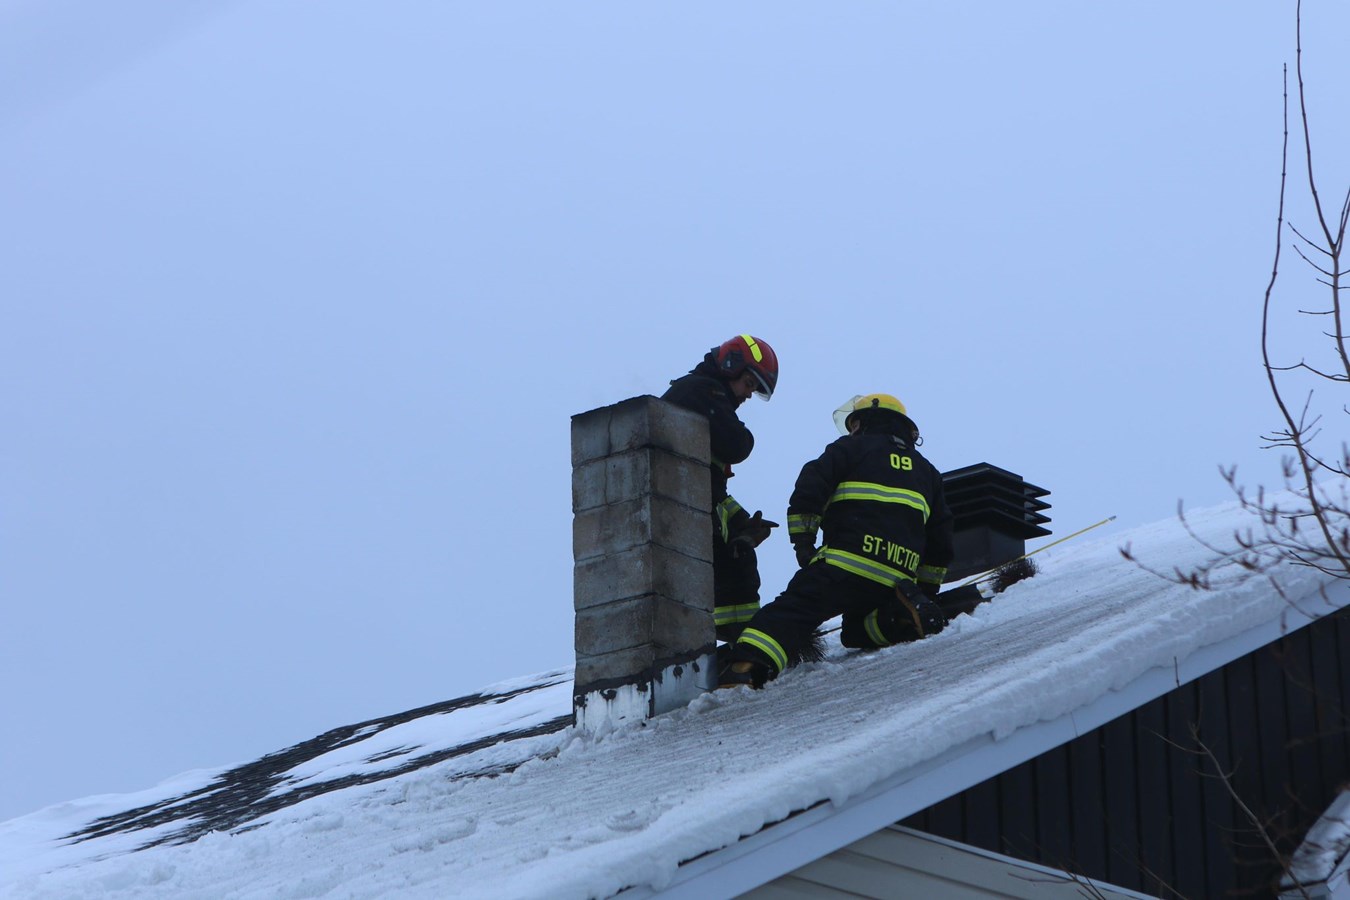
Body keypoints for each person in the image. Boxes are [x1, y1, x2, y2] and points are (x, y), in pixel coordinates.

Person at [720, 393, 954, 688]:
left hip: (846, 566)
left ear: (863, 421)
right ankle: (901, 616)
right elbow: (941, 538)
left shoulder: (850, 448)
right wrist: (924, 591)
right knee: (855, 632)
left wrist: (803, 544)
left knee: (793, 611)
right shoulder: (928, 473)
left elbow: (809, 489)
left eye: (854, 422)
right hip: (897, 580)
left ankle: (746, 667)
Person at [661, 335, 780, 643]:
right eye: (749, 385)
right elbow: (737, 445)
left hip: (690, 508)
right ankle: (741, 646)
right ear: (731, 366)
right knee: (734, 567)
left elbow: (713, 492)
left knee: (738, 561)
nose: (748, 396)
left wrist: (741, 521)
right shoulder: (702, 391)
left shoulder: (703, 395)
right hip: (685, 514)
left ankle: (737, 643)